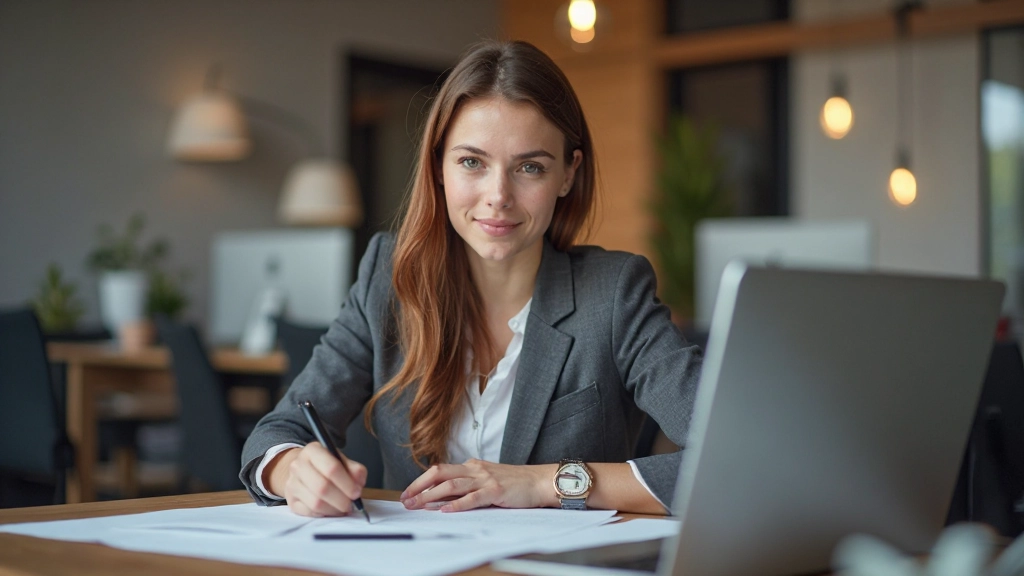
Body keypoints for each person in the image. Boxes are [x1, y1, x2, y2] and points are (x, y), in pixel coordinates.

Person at [239, 39, 702, 517]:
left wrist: (544, 482)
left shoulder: (613, 293)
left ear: (567, 174)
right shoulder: (388, 276)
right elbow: (275, 435)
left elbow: (737, 459)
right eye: (472, 162)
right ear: (439, 165)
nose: (497, 195)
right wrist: (294, 469)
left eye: (530, 167)